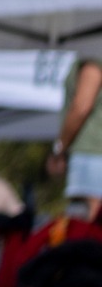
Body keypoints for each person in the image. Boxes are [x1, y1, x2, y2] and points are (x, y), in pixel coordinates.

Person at [50, 56, 102, 220]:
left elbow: (81, 107)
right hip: (93, 153)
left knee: (91, 222)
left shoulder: (93, 60)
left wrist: (59, 148)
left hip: (92, 153)